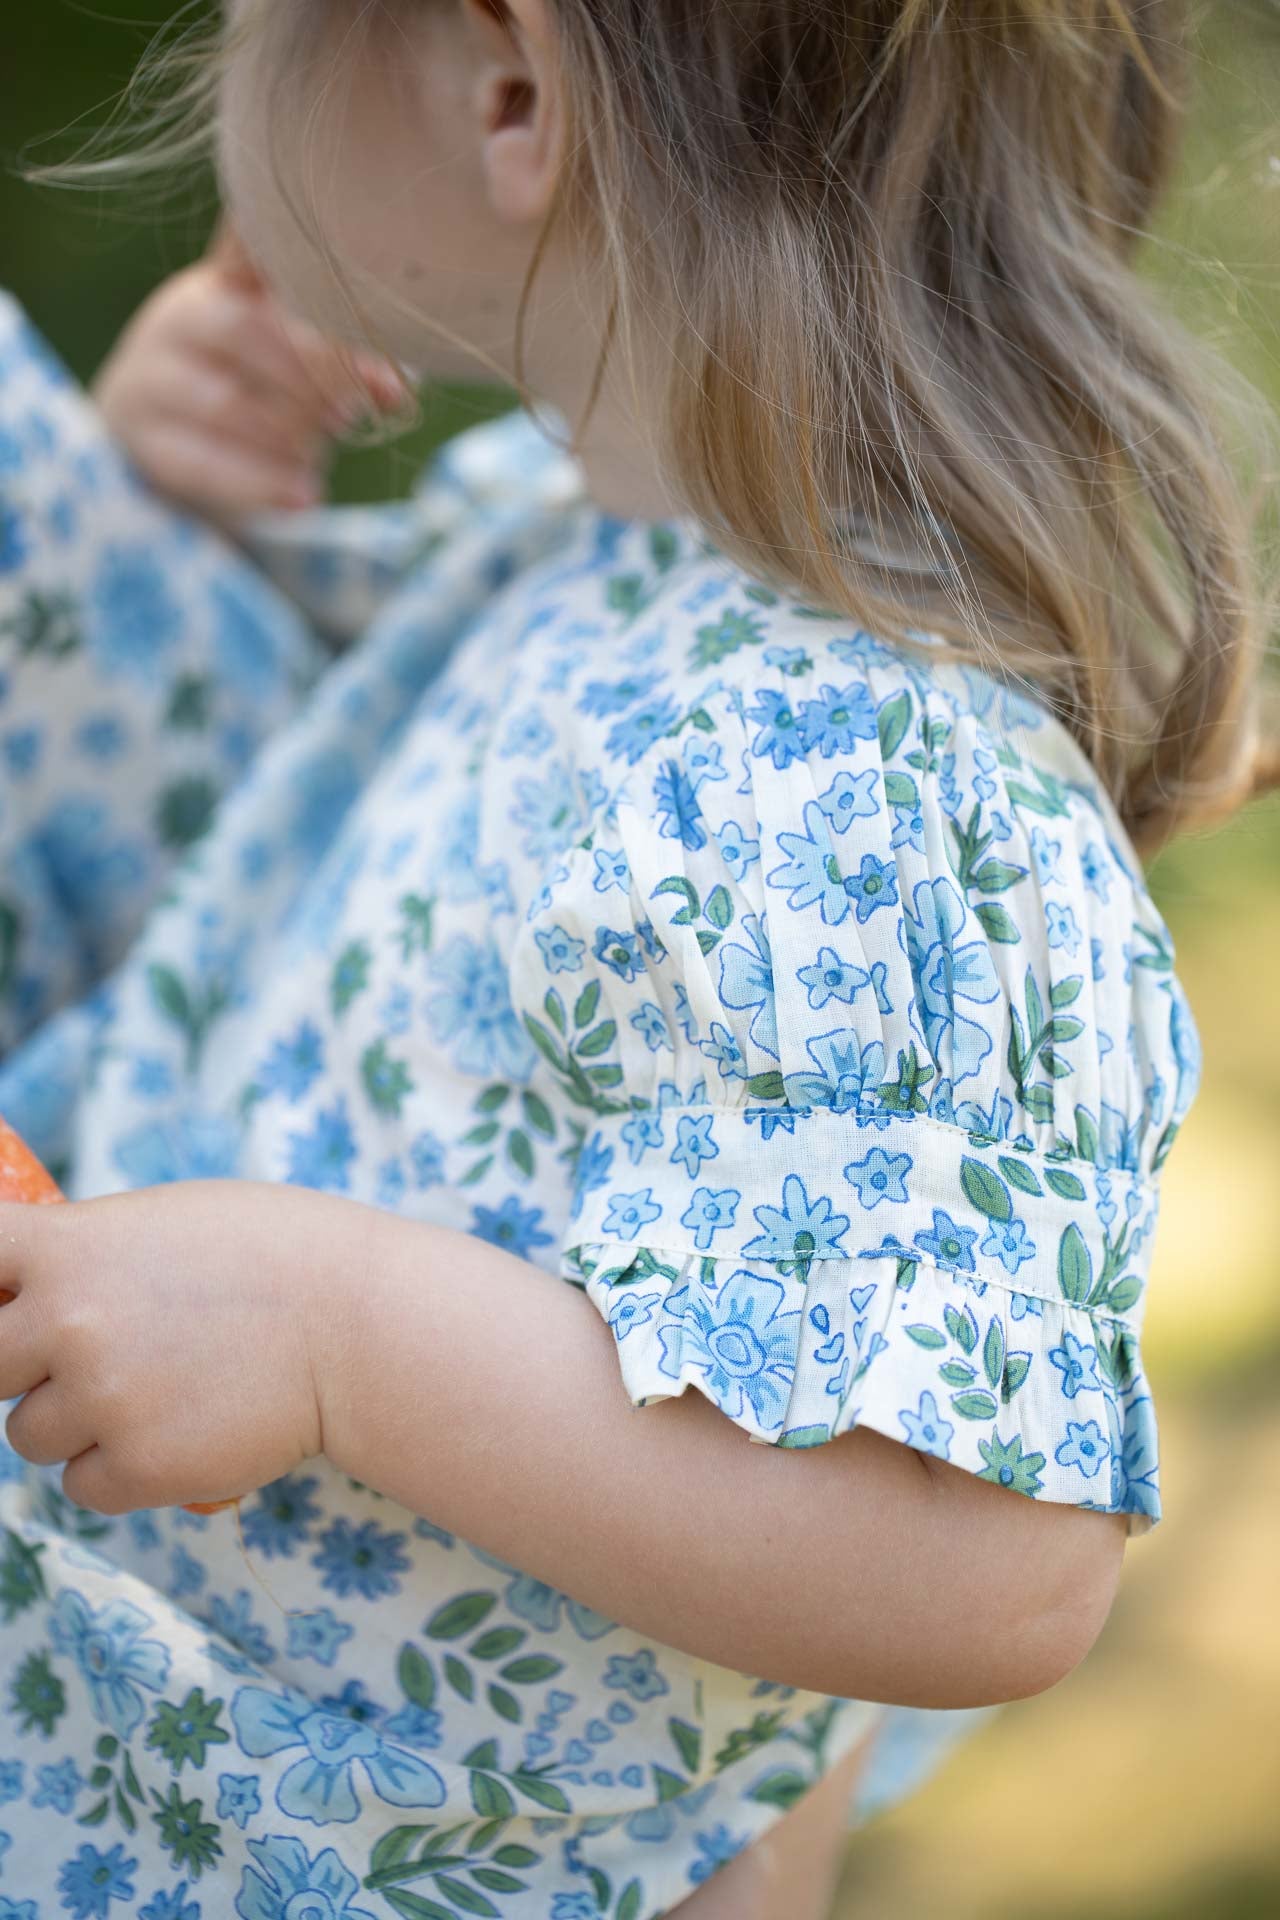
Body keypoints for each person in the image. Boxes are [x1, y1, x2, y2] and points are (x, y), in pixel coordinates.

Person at [0, 3, 1272, 1915]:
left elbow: (987, 1555)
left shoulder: (832, 754)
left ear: (514, 92)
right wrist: (158, 501)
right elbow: (350, 881)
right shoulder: (601, 548)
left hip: (308, 1818)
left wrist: (332, 1335)